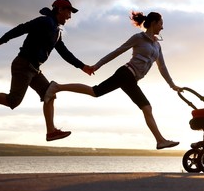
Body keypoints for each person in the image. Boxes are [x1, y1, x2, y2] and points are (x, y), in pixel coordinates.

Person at [0, 0, 92, 141]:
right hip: (23, 65)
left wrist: (82, 67)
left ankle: (51, 131)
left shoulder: (56, 31)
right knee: (12, 101)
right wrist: (0, 41)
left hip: (35, 69)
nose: (70, 16)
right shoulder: (44, 22)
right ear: (60, 10)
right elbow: (22, 28)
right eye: (68, 12)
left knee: (49, 94)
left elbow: (64, 52)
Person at [44, 11, 182, 149]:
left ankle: (58, 87)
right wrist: (97, 66)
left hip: (131, 79)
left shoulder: (157, 45)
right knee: (145, 107)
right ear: (154, 23)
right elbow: (117, 51)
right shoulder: (138, 38)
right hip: (126, 74)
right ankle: (160, 140)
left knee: (95, 92)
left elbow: (162, 67)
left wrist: (172, 85)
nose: (162, 27)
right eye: (161, 24)